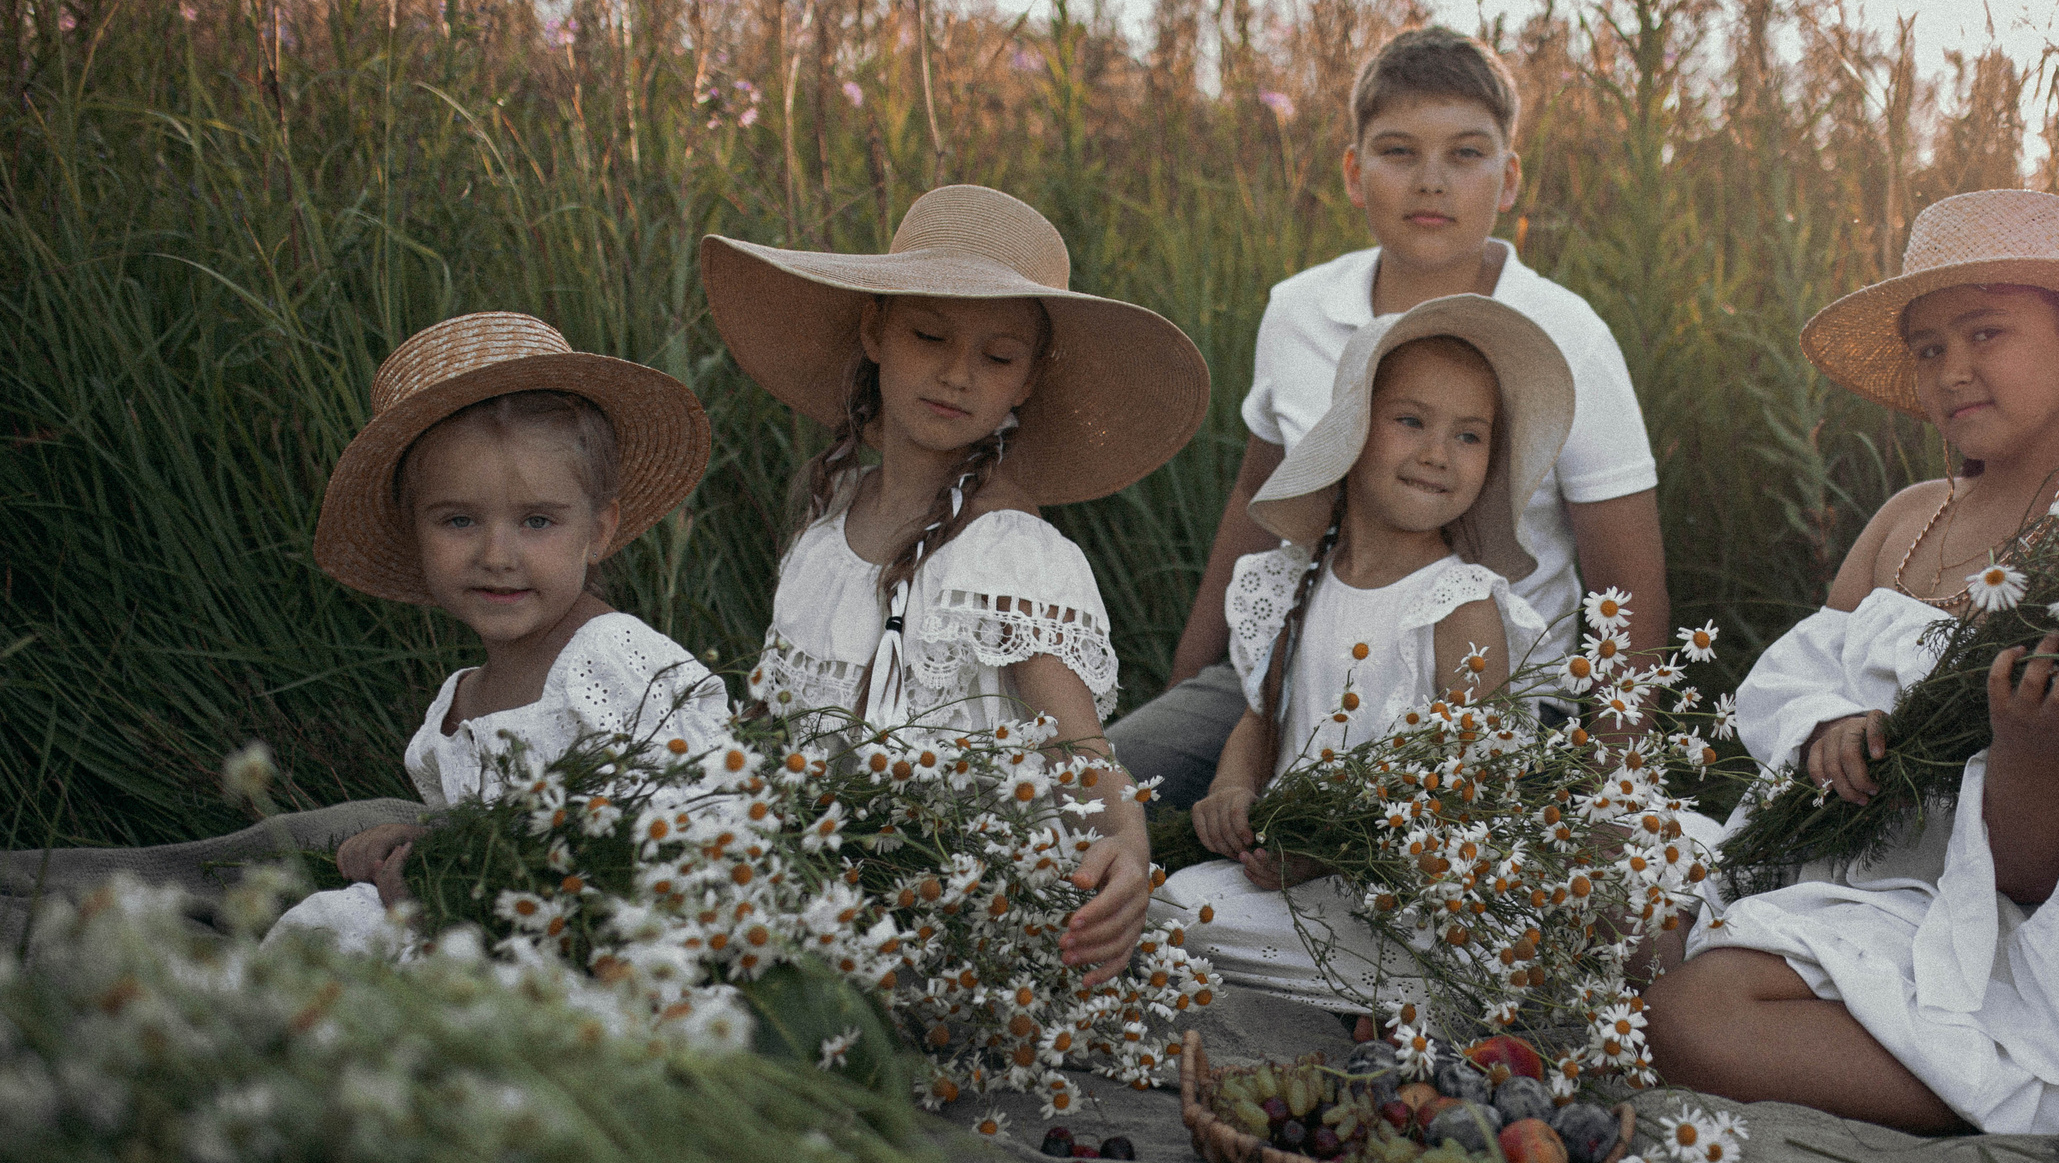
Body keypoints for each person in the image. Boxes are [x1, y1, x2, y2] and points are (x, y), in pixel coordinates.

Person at [1645, 190, 2059, 1139]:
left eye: (1985, 332)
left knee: (1689, 1015)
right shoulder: (1909, 521)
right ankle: (1836, 1026)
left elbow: (2037, 877)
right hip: (1837, 856)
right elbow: (1803, 671)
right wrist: (1824, 726)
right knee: (1607, 916)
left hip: (1979, 908)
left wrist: (2027, 749)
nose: (1953, 369)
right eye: (1929, 348)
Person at [1107, 25, 1665, 806]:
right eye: (1398, 152)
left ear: (1509, 179)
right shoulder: (1299, 312)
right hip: (1295, 672)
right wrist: (1190, 684)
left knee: (1356, 854)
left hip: (1482, 702)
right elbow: (1255, 509)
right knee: (1097, 790)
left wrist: (1615, 802)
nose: (1430, 182)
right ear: (1353, 171)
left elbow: (1626, 587)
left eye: (1466, 154)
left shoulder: (1566, 337)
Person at [700, 185, 1211, 987]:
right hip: (825, 873)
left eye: (997, 356)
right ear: (875, 329)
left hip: (966, 897)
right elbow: (779, 723)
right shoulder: (828, 524)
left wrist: (1127, 841)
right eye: (929, 335)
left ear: (1030, 377)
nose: (956, 374)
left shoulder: (1008, 553)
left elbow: (1081, 750)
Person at [1162, 295, 1572, 1014]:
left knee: (1447, 953)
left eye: (1469, 436)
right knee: (1172, 903)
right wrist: (1231, 790)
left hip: (1403, 889)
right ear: (1353, 429)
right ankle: (1354, 994)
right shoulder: (1298, 579)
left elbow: (1470, 785)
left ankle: (1403, 995)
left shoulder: (1460, 601)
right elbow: (1262, 718)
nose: (1437, 454)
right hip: (1286, 881)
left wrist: (1339, 848)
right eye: (1410, 420)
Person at [272, 311, 731, 950]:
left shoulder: (611, 661)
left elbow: (706, 822)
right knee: (325, 925)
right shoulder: (458, 701)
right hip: (502, 926)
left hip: (615, 937)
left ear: (597, 530)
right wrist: (422, 848)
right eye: (458, 521)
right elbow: (484, 837)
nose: (496, 554)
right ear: (414, 532)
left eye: (537, 521)